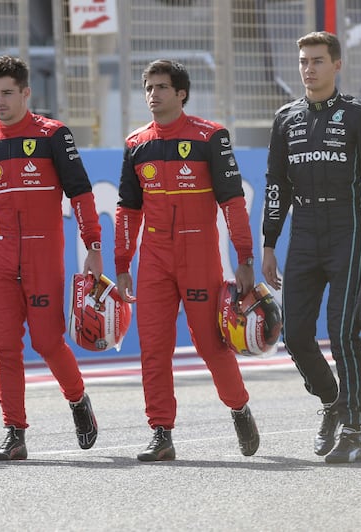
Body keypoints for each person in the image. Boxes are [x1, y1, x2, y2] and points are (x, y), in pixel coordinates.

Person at [0, 55, 101, 461]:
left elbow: (82, 193)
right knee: (4, 348)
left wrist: (94, 245)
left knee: (47, 342)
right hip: (2, 258)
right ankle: (14, 432)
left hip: (44, 255)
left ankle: (77, 401)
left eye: (6, 93)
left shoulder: (55, 135)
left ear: (25, 92)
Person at [262, 31, 361, 464]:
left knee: (341, 333)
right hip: (303, 229)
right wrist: (268, 244)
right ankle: (331, 401)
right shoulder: (285, 118)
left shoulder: (360, 114)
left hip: (348, 227)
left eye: (317, 61)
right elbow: (275, 186)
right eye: (303, 60)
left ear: (336, 65)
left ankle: (354, 430)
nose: (308, 68)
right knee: (295, 334)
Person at [115, 59, 260, 462]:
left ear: (181, 94)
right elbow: (128, 210)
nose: (153, 95)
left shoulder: (211, 136)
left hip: (199, 254)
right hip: (155, 258)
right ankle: (161, 432)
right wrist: (123, 263)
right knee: (153, 349)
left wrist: (244, 256)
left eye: (161, 87)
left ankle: (238, 408)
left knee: (211, 345)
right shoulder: (135, 143)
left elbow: (232, 201)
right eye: (148, 87)